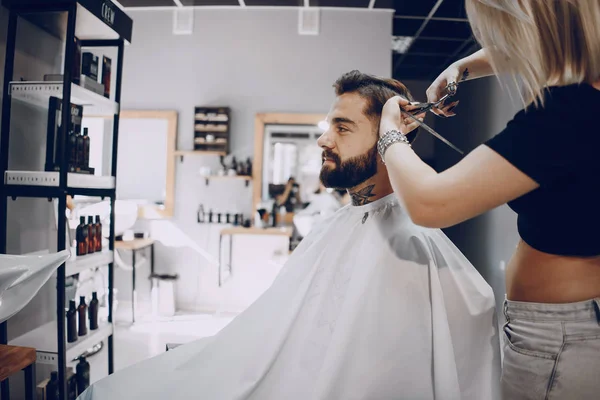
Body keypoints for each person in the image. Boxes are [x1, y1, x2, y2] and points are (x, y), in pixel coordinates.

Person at [79, 72, 501, 400]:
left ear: (391, 137)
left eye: (342, 127)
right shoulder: (339, 225)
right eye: (327, 126)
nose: (323, 138)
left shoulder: (411, 245)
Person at [377, 1, 600, 399]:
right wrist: (462, 67)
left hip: (562, 337)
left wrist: (390, 134)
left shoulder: (569, 113)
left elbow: (431, 204)